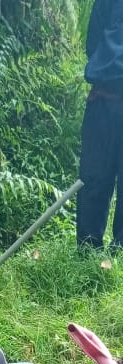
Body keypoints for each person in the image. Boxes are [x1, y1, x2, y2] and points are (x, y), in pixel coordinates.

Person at [76, 0, 123, 249]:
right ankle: (87, 251)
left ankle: (121, 252)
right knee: (93, 177)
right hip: (104, 98)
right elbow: (93, 41)